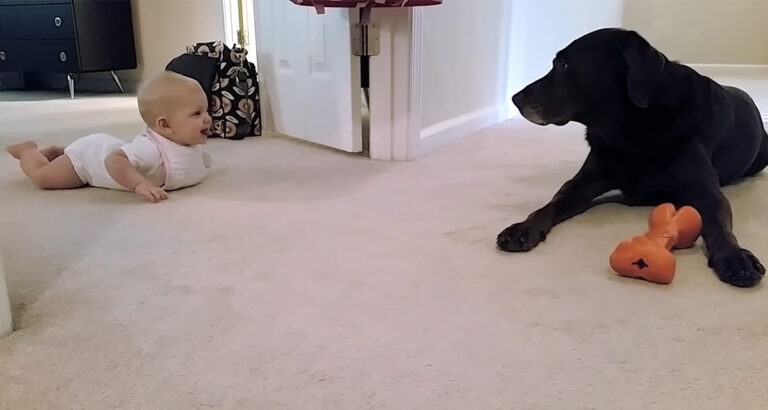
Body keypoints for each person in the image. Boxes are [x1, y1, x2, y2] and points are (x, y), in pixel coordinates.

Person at [5, 71, 213, 203]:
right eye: (197, 114)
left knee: (62, 159)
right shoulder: (150, 150)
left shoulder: (189, 146)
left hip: (101, 145)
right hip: (88, 161)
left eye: (206, 111)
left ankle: (59, 152)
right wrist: (139, 184)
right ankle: (28, 150)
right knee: (43, 177)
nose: (207, 118)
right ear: (164, 125)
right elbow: (113, 160)